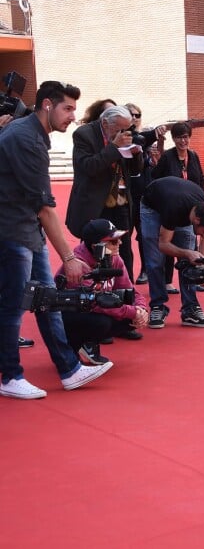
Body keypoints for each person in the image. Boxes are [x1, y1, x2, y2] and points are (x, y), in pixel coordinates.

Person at [0, 81, 113, 399]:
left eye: (75, 109)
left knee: (47, 299)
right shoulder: (26, 140)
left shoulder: (32, 134)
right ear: (47, 105)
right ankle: (10, 376)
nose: (73, 116)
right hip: (11, 232)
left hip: (26, 230)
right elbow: (45, 207)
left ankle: (69, 369)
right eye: (68, 108)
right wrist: (68, 256)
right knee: (12, 307)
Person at [56, 219, 149, 366]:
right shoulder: (78, 266)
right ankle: (72, 348)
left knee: (129, 319)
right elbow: (94, 303)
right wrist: (132, 312)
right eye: (113, 241)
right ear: (96, 246)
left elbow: (130, 290)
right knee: (102, 322)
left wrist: (141, 309)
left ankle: (88, 344)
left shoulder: (114, 258)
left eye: (119, 239)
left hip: (93, 308)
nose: (120, 243)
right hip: (68, 315)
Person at [67, 105, 143, 282]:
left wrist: (136, 153)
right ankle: (91, 288)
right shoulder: (84, 134)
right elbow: (88, 167)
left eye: (126, 128)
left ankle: (126, 291)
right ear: (105, 123)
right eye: (118, 129)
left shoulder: (123, 134)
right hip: (96, 204)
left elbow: (134, 170)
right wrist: (115, 147)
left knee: (123, 249)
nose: (122, 133)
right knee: (94, 249)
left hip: (121, 202)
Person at [141, 176, 204, 328]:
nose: (203, 236)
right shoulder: (174, 208)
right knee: (155, 260)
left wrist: (202, 270)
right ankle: (158, 305)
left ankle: (190, 309)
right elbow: (163, 245)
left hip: (180, 203)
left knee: (190, 263)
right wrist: (188, 253)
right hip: (152, 207)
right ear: (197, 221)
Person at [151, 121, 204, 294]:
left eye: (185, 137)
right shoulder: (168, 156)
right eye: (178, 138)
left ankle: (194, 277)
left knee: (192, 244)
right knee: (169, 242)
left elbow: (200, 181)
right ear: (173, 139)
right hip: (172, 206)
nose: (183, 141)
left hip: (193, 207)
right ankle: (167, 281)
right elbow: (155, 177)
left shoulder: (194, 156)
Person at [124, 103, 167, 286]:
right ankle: (126, 275)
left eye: (137, 114)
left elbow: (159, 160)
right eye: (131, 114)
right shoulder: (125, 138)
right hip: (125, 195)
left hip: (145, 194)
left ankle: (145, 270)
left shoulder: (145, 138)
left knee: (145, 236)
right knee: (125, 236)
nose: (135, 117)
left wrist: (161, 139)